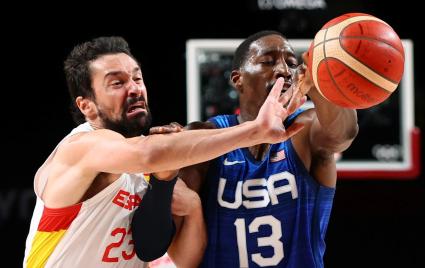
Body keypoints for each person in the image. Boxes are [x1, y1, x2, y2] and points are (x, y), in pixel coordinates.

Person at [23, 36, 305, 267]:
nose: (134, 89)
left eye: (137, 78)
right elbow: (147, 153)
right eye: (117, 83)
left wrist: (182, 198)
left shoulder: (149, 169)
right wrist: (254, 131)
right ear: (87, 106)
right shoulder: (80, 148)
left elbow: (165, 254)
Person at [172, 30, 359, 267]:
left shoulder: (305, 129)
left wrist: (320, 79)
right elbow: (171, 241)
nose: (284, 70)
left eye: (292, 64)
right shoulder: (205, 136)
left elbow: (343, 134)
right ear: (237, 79)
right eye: (268, 61)